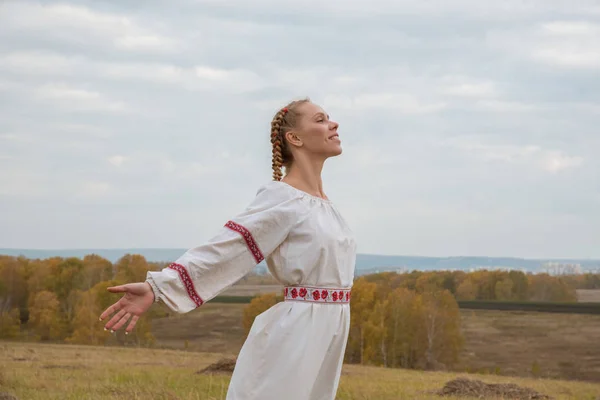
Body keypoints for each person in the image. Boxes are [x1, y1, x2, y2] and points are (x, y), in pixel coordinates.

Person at [99, 98, 357, 400]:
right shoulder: (283, 198)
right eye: (321, 119)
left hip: (330, 327)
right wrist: (159, 287)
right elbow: (228, 248)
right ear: (295, 138)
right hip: (297, 332)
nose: (333, 123)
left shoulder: (325, 205)